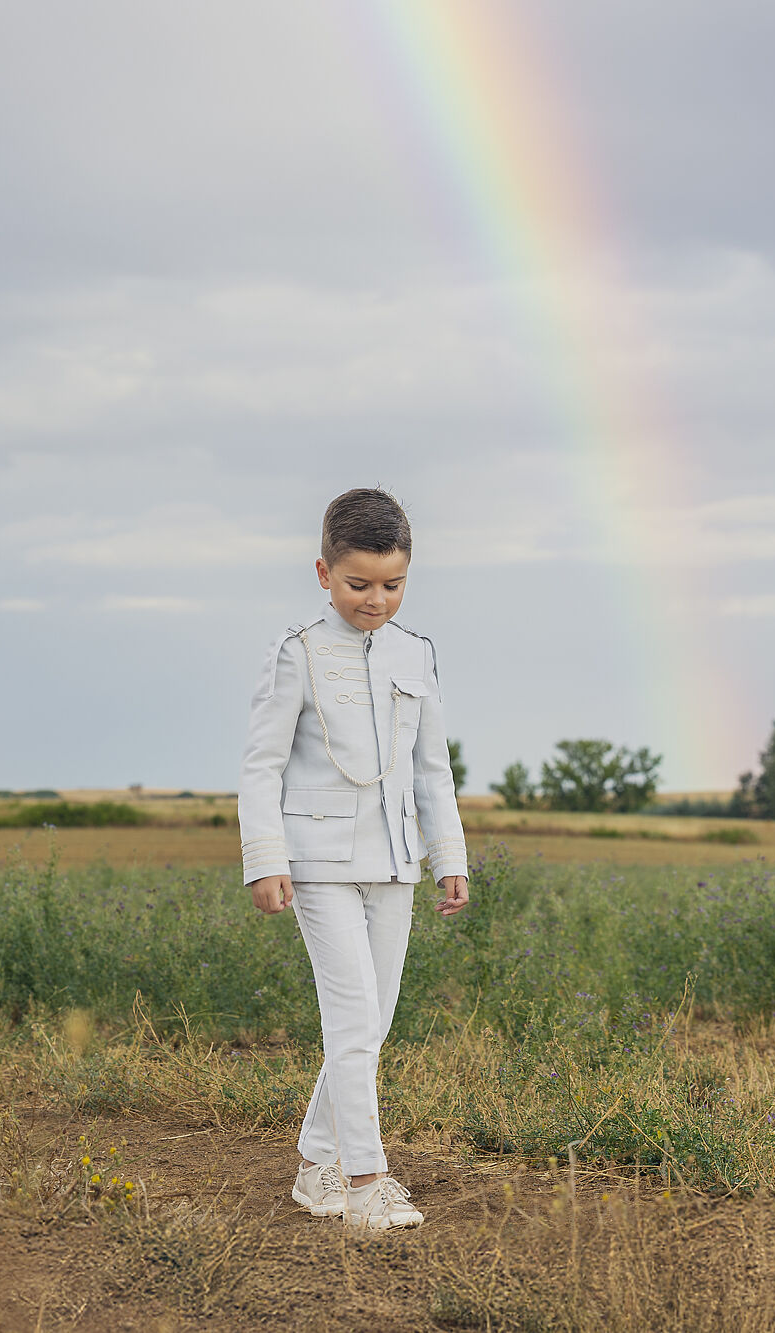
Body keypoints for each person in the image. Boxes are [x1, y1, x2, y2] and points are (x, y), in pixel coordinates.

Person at [237, 487, 470, 1230]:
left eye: (393, 584)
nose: (376, 600)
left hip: (396, 864)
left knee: (374, 1022)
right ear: (323, 571)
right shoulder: (296, 653)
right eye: (358, 583)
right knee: (350, 1021)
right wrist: (264, 857)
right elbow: (260, 767)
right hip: (317, 864)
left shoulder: (418, 654)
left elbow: (434, 769)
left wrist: (448, 854)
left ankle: (315, 1164)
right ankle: (367, 1181)